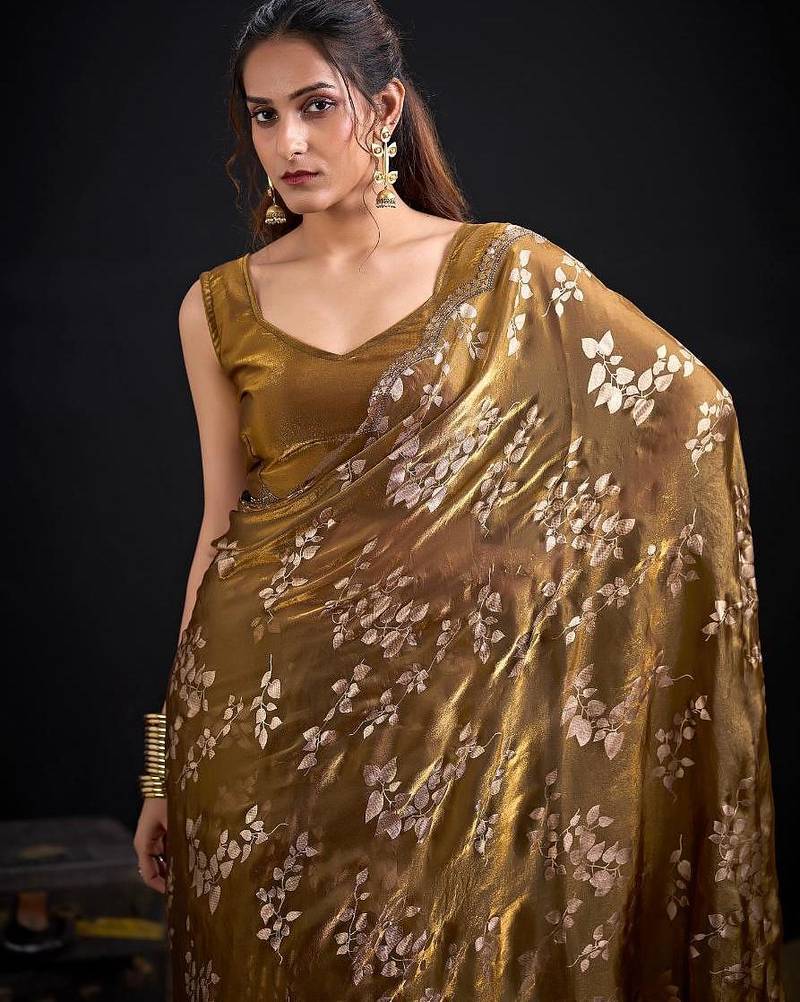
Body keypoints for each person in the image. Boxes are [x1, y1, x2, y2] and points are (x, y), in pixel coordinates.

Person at [133, 1, 786, 998]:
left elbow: (685, 417)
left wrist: (526, 591)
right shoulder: (216, 303)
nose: (288, 141)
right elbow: (220, 528)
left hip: (444, 725)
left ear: (386, 107)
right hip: (255, 710)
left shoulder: (501, 272)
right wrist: (159, 762)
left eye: (316, 105)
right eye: (263, 116)